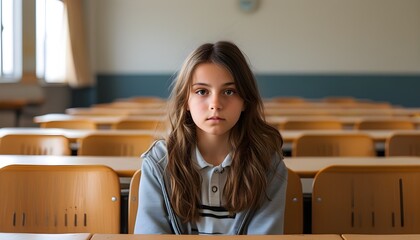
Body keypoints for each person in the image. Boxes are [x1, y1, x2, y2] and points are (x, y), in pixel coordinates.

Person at [134, 41, 287, 235]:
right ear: (185, 101)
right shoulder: (159, 161)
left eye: (229, 91)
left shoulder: (267, 163)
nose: (215, 104)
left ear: (245, 102)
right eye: (202, 91)